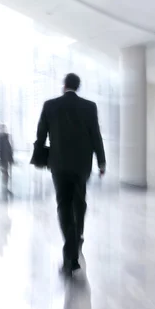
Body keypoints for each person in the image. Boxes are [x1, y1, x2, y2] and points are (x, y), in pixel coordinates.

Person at [34, 73, 106, 276]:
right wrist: (101, 161)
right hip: (82, 165)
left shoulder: (50, 105)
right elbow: (95, 135)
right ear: (78, 86)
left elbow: (41, 135)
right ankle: (78, 237)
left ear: (64, 86)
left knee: (63, 205)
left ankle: (71, 256)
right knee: (79, 202)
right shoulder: (90, 107)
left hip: (59, 165)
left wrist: (41, 156)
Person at [0, 124, 13, 190]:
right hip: (2, 158)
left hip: (5, 157)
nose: (3, 130)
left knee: (5, 173)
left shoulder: (5, 136)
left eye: (3, 128)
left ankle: (5, 187)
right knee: (1, 172)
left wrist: (10, 158)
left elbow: (9, 148)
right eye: (2, 128)